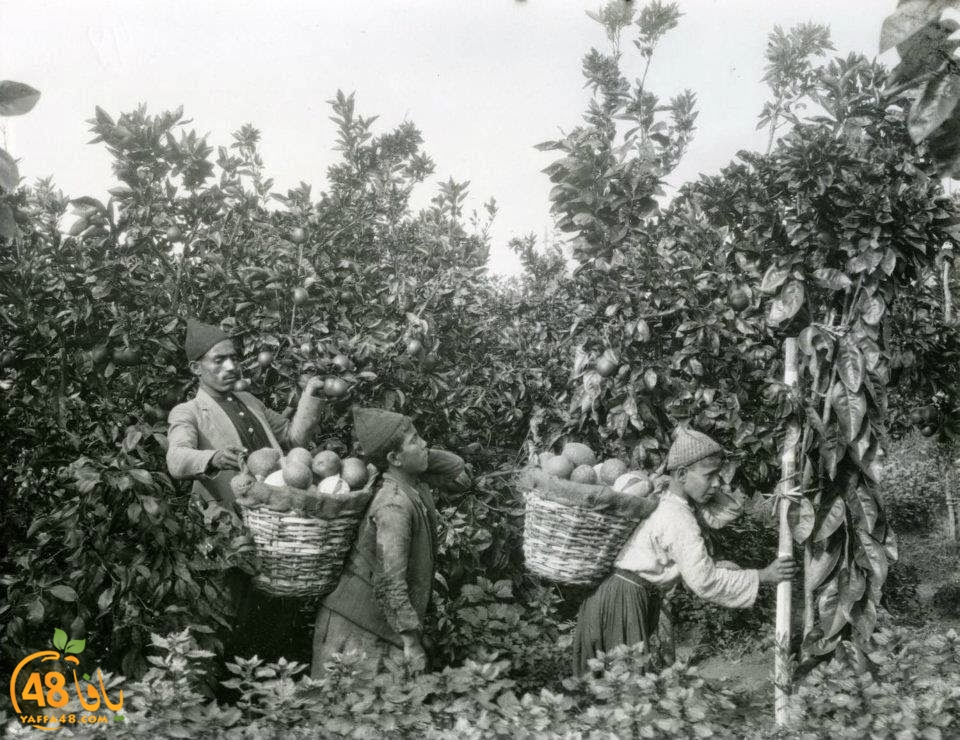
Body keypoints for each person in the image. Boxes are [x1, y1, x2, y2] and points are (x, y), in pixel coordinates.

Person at [572, 426, 798, 676]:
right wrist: (763, 576)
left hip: (615, 596)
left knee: (612, 691)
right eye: (710, 476)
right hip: (623, 603)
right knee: (625, 692)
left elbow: (728, 512)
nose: (716, 485)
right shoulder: (677, 516)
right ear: (681, 474)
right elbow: (704, 582)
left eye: (718, 477)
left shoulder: (669, 503)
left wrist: (701, 483)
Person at [166, 318, 326, 668]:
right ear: (196, 368)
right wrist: (211, 457)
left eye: (234, 358)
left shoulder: (250, 401)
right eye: (218, 360)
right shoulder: (188, 412)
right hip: (230, 534)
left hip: (274, 527)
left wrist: (310, 399)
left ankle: (268, 698)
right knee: (232, 619)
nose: (230, 366)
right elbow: (176, 459)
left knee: (275, 618)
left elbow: (294, 440)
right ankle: (229, 702)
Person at [311, 406, 467, 678]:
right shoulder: (394, 506)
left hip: (376, 627)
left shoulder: (411, 482)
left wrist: (414, 450)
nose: (425, 444)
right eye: (415, 441)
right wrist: (411, 641)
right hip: (355, 633)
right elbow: (390, 582)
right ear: (394, 458)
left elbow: (454, 467)